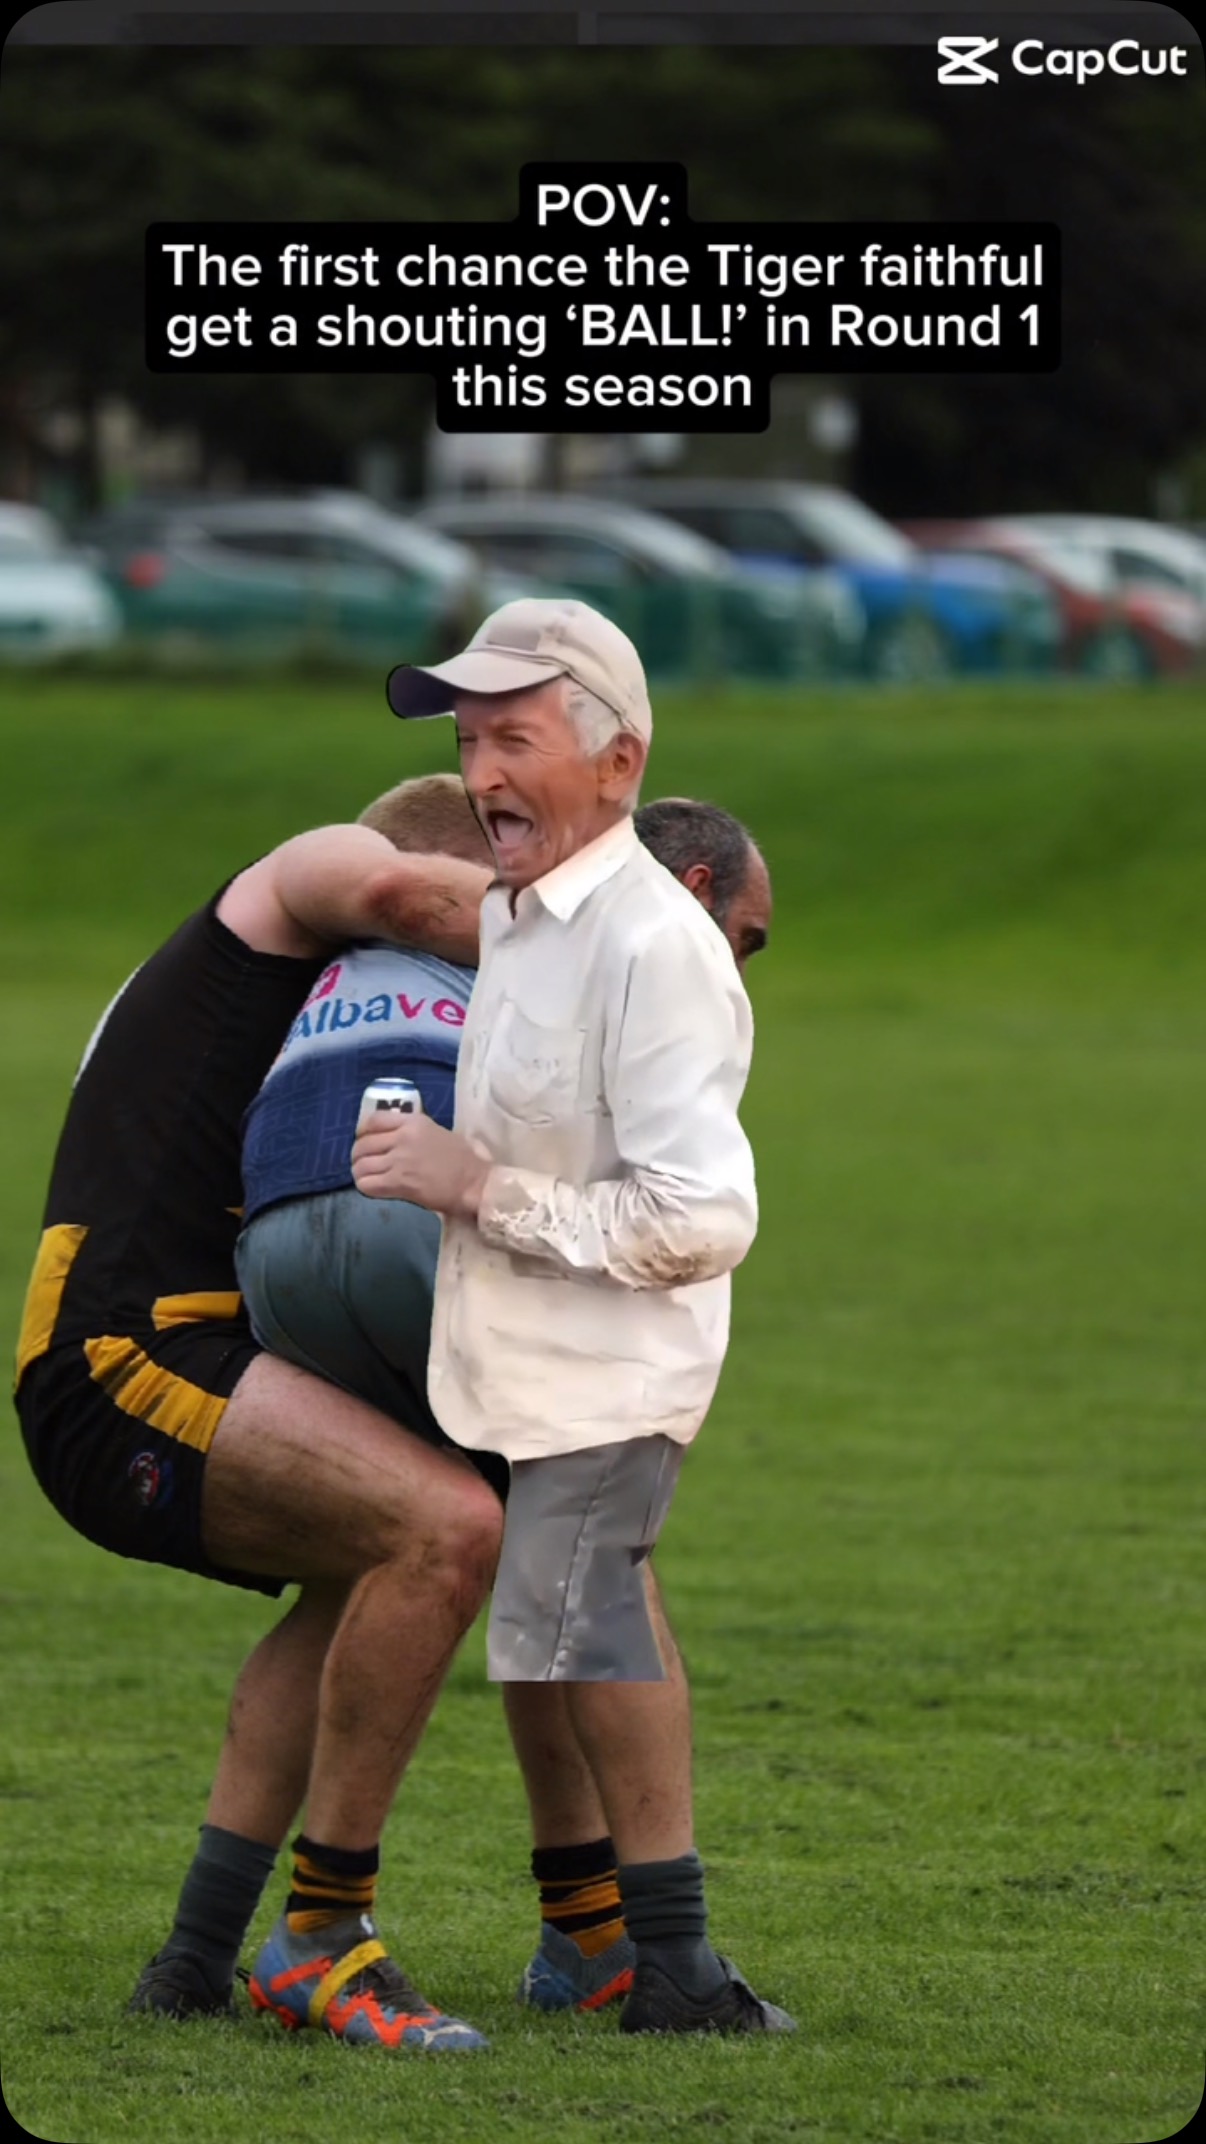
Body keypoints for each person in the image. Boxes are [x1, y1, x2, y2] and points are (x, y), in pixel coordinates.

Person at [233, 775, 773, 2023]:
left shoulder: (318, 965)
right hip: (422, 1224)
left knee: (410, 1551)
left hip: (274, 1247)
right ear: (690, 894)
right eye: (744, 941)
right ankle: (649, 1951)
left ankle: (202, 1939)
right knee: (592, 1549)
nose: (742, 972)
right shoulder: (605, 942)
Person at [356, 596, 795, 2035]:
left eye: (515, 739)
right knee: (543, 1633)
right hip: (512, 1366)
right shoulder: (519, 922)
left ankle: (669, 1962)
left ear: (619, 764)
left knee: (586, 1613)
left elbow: (698, 1219)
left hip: (608, 1369)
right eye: (470, 741)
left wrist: (476, 1189)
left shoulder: (654, 946)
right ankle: (602, 1948)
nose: (481, 772)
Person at [11, 815, 512, 2052]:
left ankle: (194, 1956)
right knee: (447, 1530)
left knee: (365, 1573)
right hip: (123, 1351)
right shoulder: (300, 882)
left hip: (158, 1346)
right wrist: (614, 926)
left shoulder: (284, 998)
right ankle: (324, 1937)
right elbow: (394, 878)